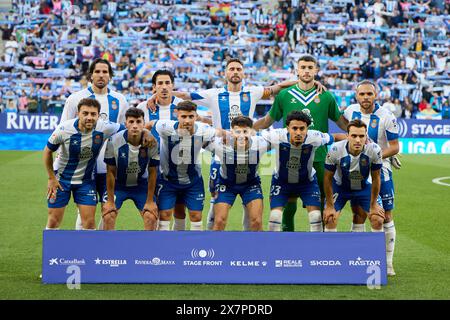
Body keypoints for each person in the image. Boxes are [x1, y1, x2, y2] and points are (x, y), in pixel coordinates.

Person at [147, 58, 301, 231]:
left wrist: (303, 81)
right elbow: (184, 96)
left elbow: (277, 88)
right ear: (225, 73)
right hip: (220, 152)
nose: (235, 72)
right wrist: (157, 94)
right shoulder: (213, 94)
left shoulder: (253, 92)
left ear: (243, 73)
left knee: (250, 205)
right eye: (231, 69)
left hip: (246, 151)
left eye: (238, 69)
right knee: (215, 204)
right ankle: (212, 241)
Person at [254, 54, 348, 232]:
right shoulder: (284, 95)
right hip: (288, 156)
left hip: (320, 157)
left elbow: (341, 122)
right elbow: (267, 121)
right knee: (288, 202)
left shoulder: (326, 96)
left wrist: (360, 135)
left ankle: (319, 243)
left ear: (316, 70)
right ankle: (287, 240)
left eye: (310, 67)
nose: (306, 71)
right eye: (303, 67)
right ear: (296, 70)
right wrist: (245, 129)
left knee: (320, 202)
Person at [61, 58, 129, 230]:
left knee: (109, 211)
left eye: (105, 72)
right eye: (97, 71)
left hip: (110, 166)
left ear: (110, 76)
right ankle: (83, 250)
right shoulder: (75, 98)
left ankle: (99, 247)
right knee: (84, 212)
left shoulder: (120, 100)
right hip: (84, 166)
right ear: (91, 75)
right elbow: (64, 129)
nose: (101, 75)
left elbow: (124, 132)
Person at [343, 80, 400, 276]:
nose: (366, 97)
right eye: (362, 94)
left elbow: (394, 146)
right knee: (358, 211)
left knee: (385, 215)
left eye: (369, 94)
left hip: (379, 168)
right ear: (356, 95)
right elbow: (346, 135)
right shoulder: (350, 111)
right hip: (354, 167)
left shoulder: (386, 116)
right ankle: (356, 257)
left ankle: (387, 262)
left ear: (376, 95)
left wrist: (381, 155)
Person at [43, 98, 125, 230]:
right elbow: (47, 152)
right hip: (61, 180)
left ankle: (85, 251)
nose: (89, 117)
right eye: (85, 113)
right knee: (53, 221)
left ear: (99, 115)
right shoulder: (64, 129)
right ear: (78, 114)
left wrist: (145, 133)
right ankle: (54, 251)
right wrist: (51, 178)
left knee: (89, 224)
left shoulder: (104, 127)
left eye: (93, 114)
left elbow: (128, 128)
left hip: (85, 182)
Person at [260, 110, 345, 232]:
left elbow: (335, 136)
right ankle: (276, 248)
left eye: (302, 128)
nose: (298, 132)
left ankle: (315, 249)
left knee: (316, 217)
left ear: (307, 129)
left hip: (307, 183)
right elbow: (255, 140)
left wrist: (352, 138)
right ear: (287, 128)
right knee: (275, 217)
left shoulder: (314, 137)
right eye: (294, 128)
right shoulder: (276, 135)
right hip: (281, 182)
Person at [146, 101, 223, 231]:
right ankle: (167, 248)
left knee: (196, 216)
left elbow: (221, 132)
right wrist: (146, 134)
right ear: (177, 115)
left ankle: (194, 247)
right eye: (184, 116)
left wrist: (237, 135)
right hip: (167, 180)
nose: (187, 120)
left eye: (191, 117)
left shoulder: (203, 130)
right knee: (165, 215)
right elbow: (150, 124)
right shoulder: (165, 126)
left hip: (193, 181)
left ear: (196, 116)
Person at [205, 116, 269, 231]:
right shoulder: (219, 144)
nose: (241, 136)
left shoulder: (261, 144)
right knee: (219, 221)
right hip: (226, 184)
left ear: (251, 132)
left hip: (251, 184)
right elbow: (198, 138)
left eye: (245, 131)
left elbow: (282, 142)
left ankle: (257, 248)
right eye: (237, 132)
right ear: (231, 132)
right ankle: (215, 247)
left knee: (257, 221)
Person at [323, 119, 385, 236]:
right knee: (330, 219)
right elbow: (327, 179)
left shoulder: (374, 150)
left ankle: (374, 253)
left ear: (366, 136)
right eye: (354, 136)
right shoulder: (335, 150)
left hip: (364, 188)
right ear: (347, 136)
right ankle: (330, 252)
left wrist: (373, 205)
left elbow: (376, 178)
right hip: (341, 188)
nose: (357, 140)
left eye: (361, 136)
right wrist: (330, 206)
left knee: (378, 219)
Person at [102, 108, 160, 231]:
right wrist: (110, 201)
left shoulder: (151, 142)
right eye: (131, 122)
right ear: (125, 124)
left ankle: (148, 248)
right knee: (108, 215)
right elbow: (110, 172)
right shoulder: (113, 141)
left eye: (139, 122)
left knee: (151, 216)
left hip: (140, 185)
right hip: (119, 185)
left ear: (144, 124)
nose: (135, 126)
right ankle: (107, 247)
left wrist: (150, 201)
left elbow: (153, 172)